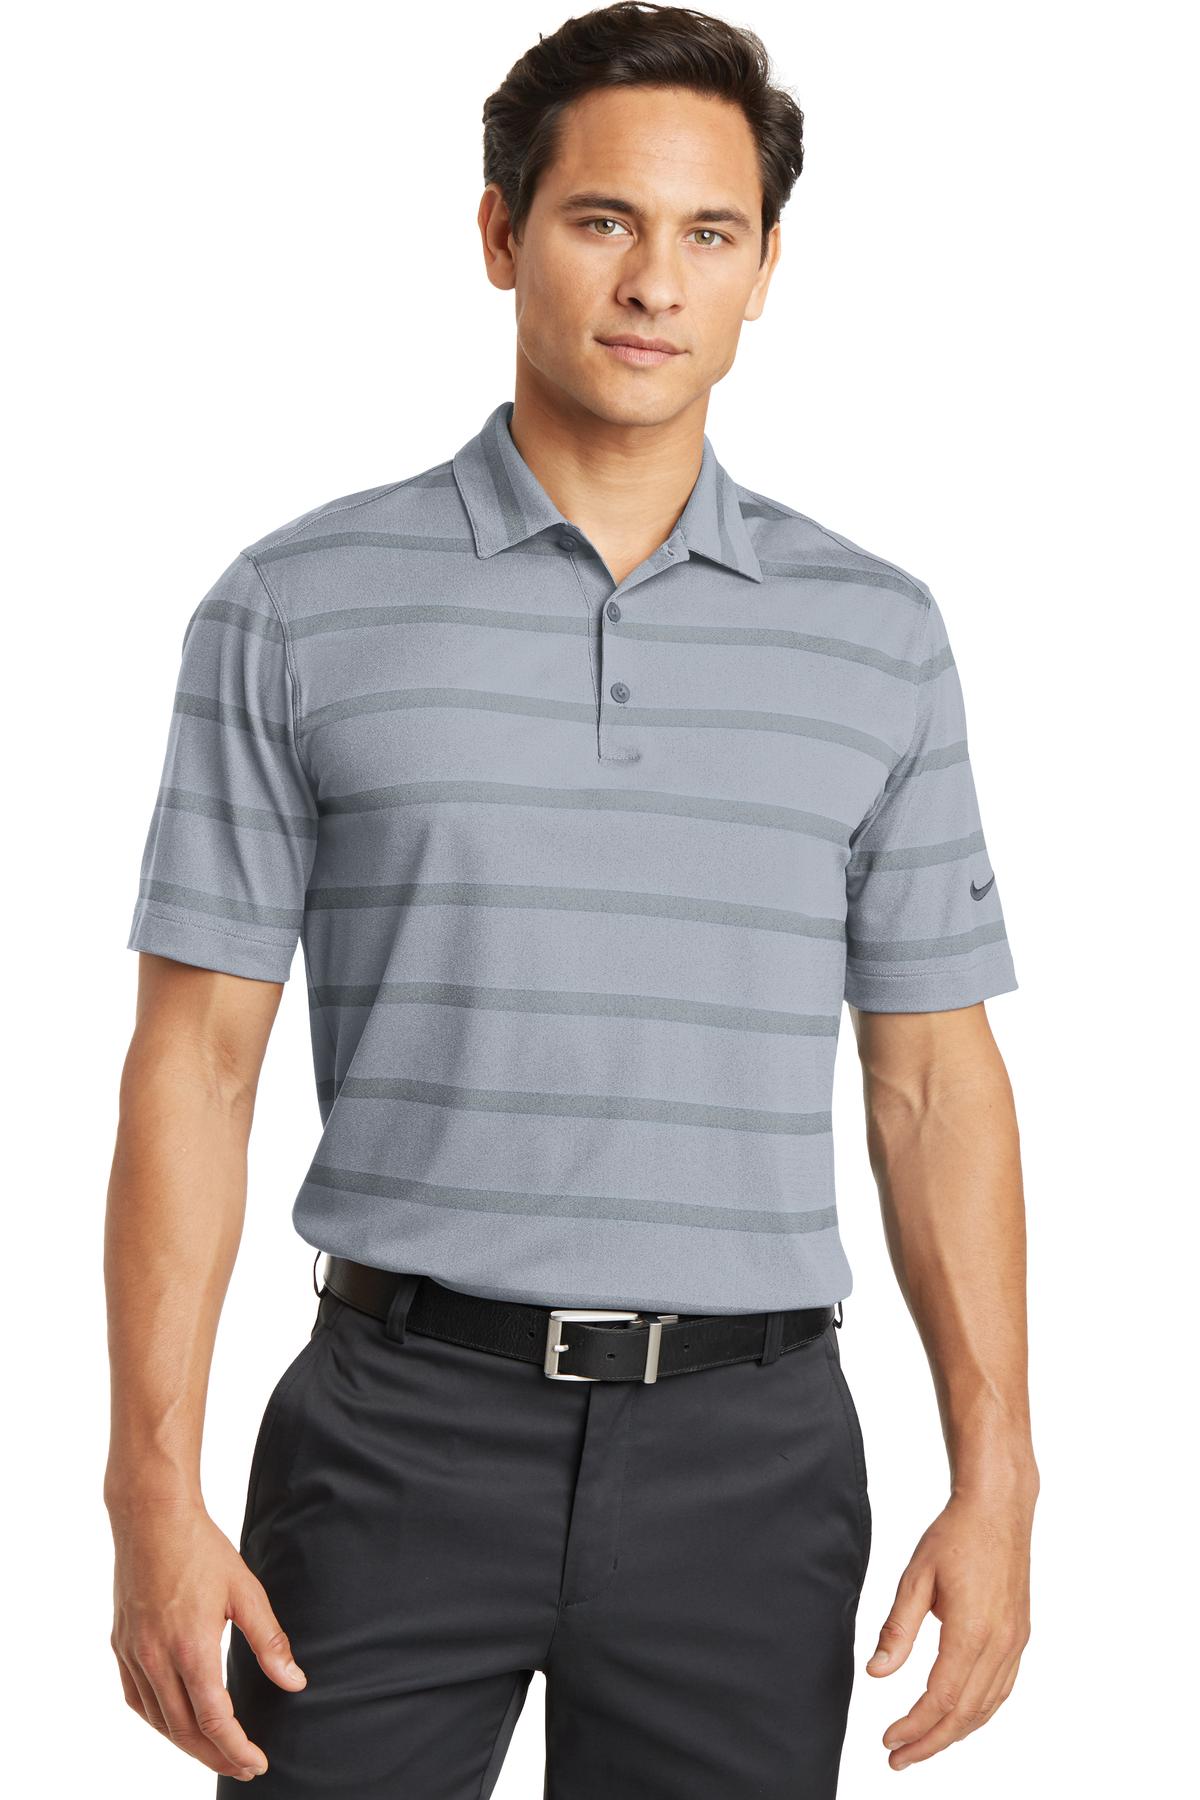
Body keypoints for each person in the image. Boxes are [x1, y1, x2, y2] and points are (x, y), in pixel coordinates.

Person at [103, 5, 1038, 1795]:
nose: (654, 282)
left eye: (710, 233)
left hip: (752, 1462)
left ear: (765, 270)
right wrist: (149, 1482)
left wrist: (1001, 1476)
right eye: (603, 219)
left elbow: (935, 1081)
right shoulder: (294, 606)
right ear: (500, 232)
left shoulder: (879, 636)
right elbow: (195, 1066)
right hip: (393, 1434)